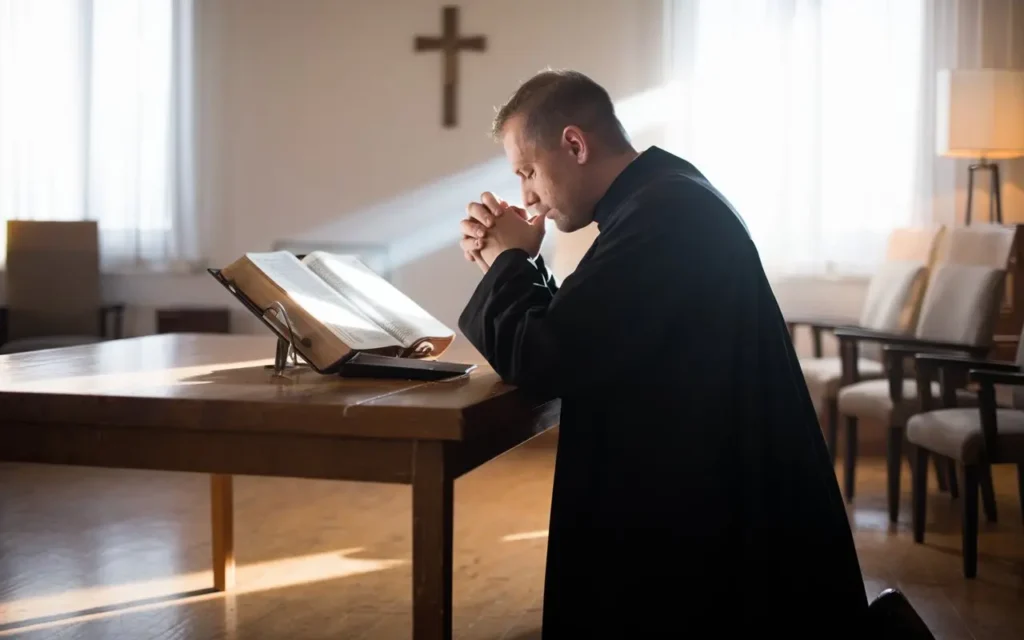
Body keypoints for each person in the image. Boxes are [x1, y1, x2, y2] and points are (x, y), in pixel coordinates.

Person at [456, 69, 872, 637]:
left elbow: (550, 358)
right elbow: (589, 330)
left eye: (528, 171)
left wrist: (509, 264)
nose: (526, 195)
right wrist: (510, 263)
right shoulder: (662, 196)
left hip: (703, 516)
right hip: (697, 487)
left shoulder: (665, 215)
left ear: (575, 144)